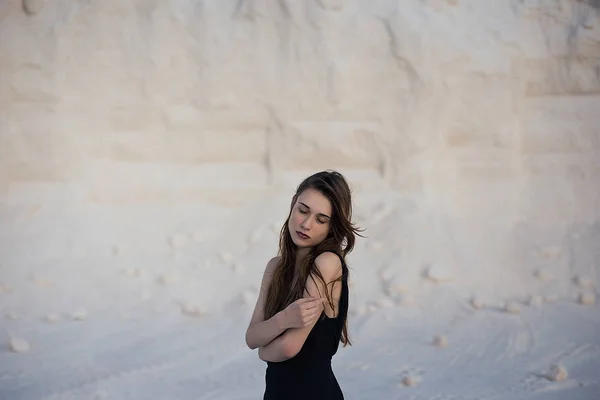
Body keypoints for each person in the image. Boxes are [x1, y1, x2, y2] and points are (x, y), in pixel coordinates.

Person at [245, 170, 363, 400]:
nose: (307, 224)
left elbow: (288, 348)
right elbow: (251, 337)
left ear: (332, 226)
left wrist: (263, 349)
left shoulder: (327, 263)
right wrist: (284, 319)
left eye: (321, 220)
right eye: (303, 210)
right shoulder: (275, 267)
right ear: (293, 204)